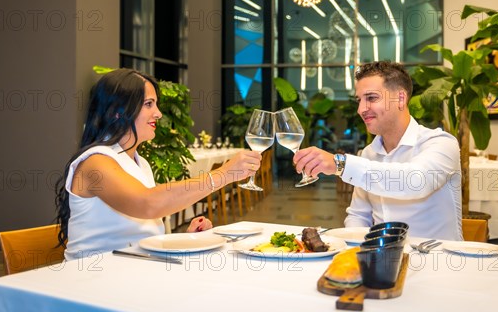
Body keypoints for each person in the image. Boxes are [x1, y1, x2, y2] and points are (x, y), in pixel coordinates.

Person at [55, 68, 261, 260]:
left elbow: (143, 233)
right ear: (117, 111)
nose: (158, 113)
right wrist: (224, 174)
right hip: (91, 279)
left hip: (130, 273)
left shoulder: (140, 163)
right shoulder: (96, 162)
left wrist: (187, 238)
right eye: (148, 104)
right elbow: (148, 204)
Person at [294, 61, 462, 240]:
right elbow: (359, 216)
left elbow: (416, 181)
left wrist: (339, 164)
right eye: (359, 100)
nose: (361, 109)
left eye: (372, 98)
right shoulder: (368, 153)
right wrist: (357, 252)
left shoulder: (441, 143)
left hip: (438, 261)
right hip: (383, 261)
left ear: (400, 99)